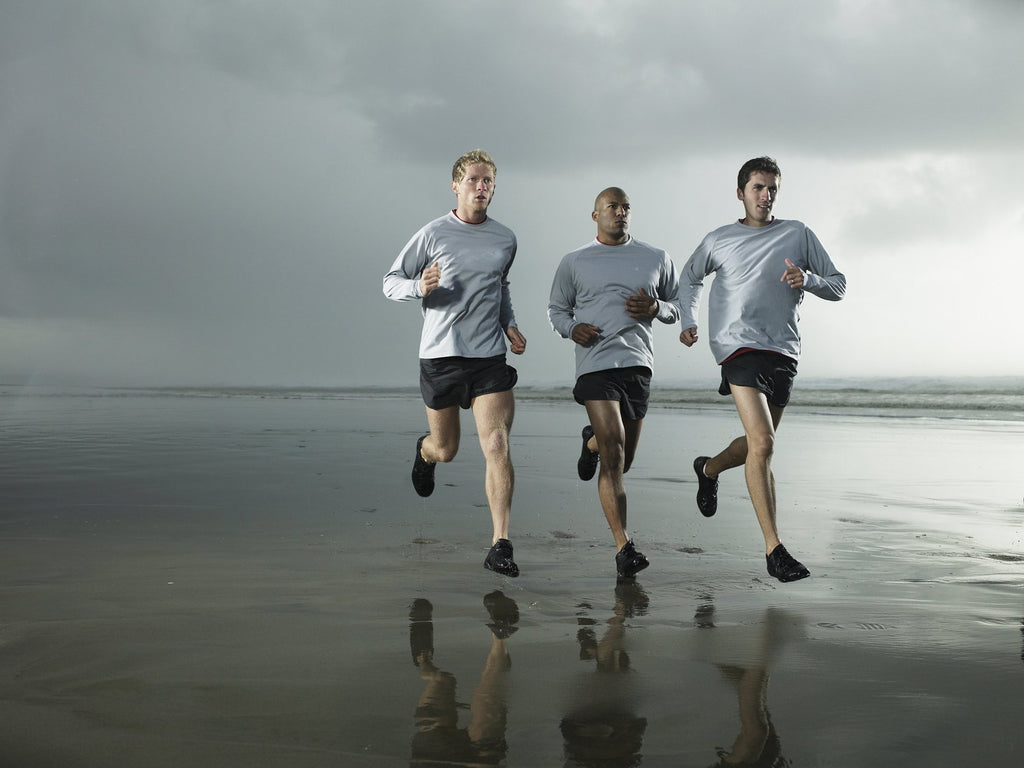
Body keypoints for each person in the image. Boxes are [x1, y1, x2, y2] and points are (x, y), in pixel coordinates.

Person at [678, 156, 846, 582]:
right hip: (737, 347)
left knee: (759, 444)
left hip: (783, 351)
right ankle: (774, 549)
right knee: (765, 444)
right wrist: (689, 319)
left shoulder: (797, 233)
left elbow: (838, 284)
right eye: (758, 187)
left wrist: (807, 280)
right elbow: (690, 278)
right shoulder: (720, 239)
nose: (766, 196)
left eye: (772, 188)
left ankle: (708, 468)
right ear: (741, 192)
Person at [383, 149, 527, 577]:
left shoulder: (506, 239)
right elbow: (390, 283)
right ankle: (424, 453)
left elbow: (500, 287)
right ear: (456, 186)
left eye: (488, 182)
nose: (481, 187)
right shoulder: (432, 233)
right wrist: (418, 286)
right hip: (441, 356)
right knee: (447, 449)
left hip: (488, 359)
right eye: (473, 180)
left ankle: (500, 543)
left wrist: (510, 324)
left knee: (497, 444)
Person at [548, 187, 681, 579]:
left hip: (638, 364)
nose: (620, 212)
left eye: (626, 207)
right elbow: (556, 309)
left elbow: (680, 305)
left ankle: (589, 442)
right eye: (612, 206)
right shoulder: (574, 262)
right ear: (595, 215)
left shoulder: (656, 257)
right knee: (615, 452)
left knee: (623, 460)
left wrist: (658, 308)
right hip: (595, 363)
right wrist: (572, 329)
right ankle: (624, 547)